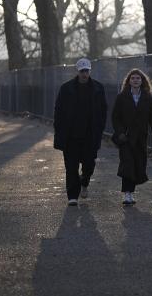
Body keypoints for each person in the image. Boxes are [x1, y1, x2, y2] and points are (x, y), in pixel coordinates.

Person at [53, 58, 108, 206]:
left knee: (89, 164)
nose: (84, 74)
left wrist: (100, 128)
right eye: (82, 71)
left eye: (87, 71)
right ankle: (72, 196)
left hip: (90, 135)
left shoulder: (98, 88)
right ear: (77, 72)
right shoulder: (66, 88)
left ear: (90, 71)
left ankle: (84, 182)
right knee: (71, 166)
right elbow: (59, 110)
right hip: (71, 135)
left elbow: (103, 109)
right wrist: (59, 130)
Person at [111, 68, 152, 205]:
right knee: (127, 164)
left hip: (141, 138)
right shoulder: (122, 97)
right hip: (126, 138)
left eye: (138, 78)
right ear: (128, 81)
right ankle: (127, 193)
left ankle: (131, 192)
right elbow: (115, 117)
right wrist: (120, 132)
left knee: (138, 163)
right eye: (133, 78)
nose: (135, 80)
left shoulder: (148, 98)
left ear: (142, 81)